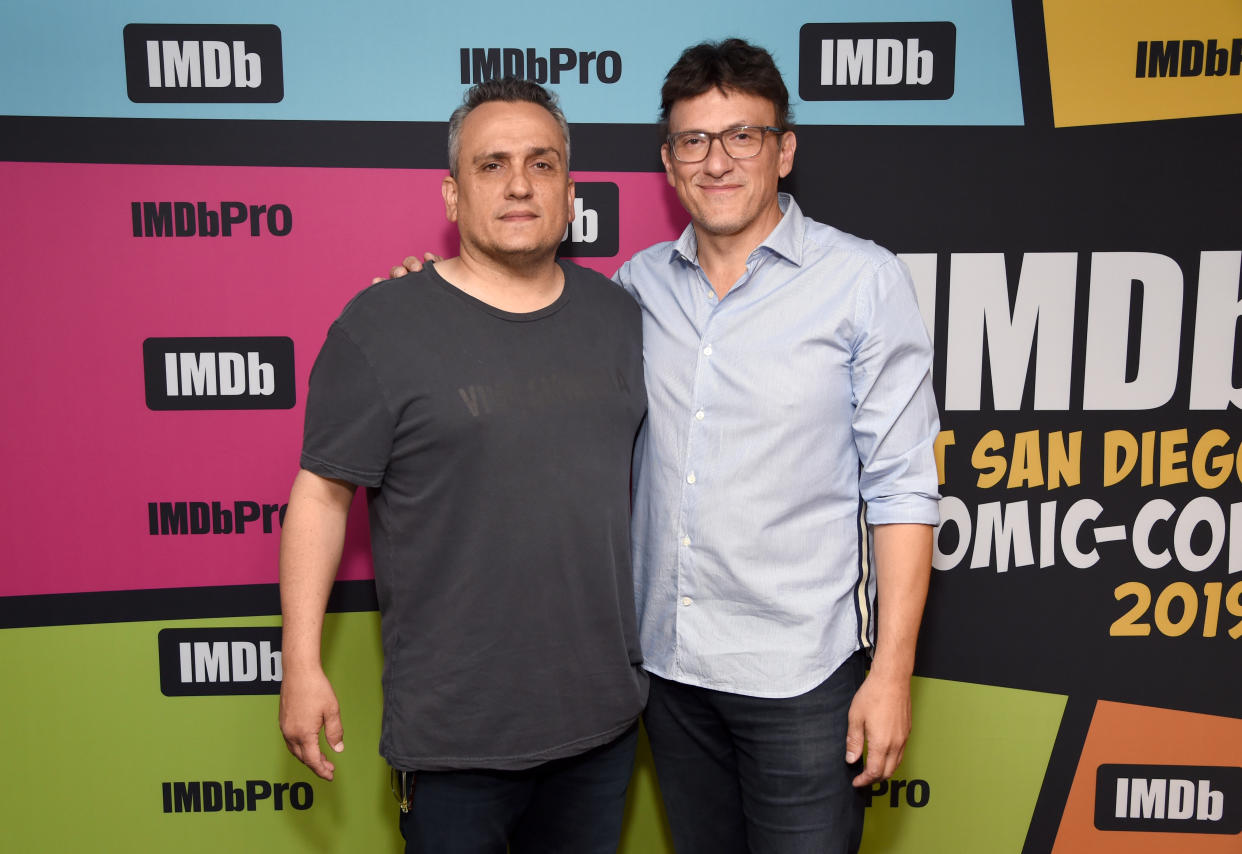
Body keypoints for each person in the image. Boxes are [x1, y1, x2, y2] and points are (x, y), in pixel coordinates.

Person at [392, 38, 940, 854]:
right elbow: (514, 329)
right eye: (694, 140)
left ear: (783, 150)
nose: (717, 162)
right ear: (668, 161)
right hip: (669, 680)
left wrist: (890, 677)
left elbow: (901, 490)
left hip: (802, 680)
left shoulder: (863, 283)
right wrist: (422, 302)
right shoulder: (631, 291)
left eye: (743, 136)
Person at [278, 77, 648, 854]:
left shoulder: (622, 318)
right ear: (451, 196)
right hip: (455, 742)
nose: (519, 183)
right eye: (492, 165)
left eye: (542, 164)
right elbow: (320, 495)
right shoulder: (381, 325)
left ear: (570, 190)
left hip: (602, 726)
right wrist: (301, 664)